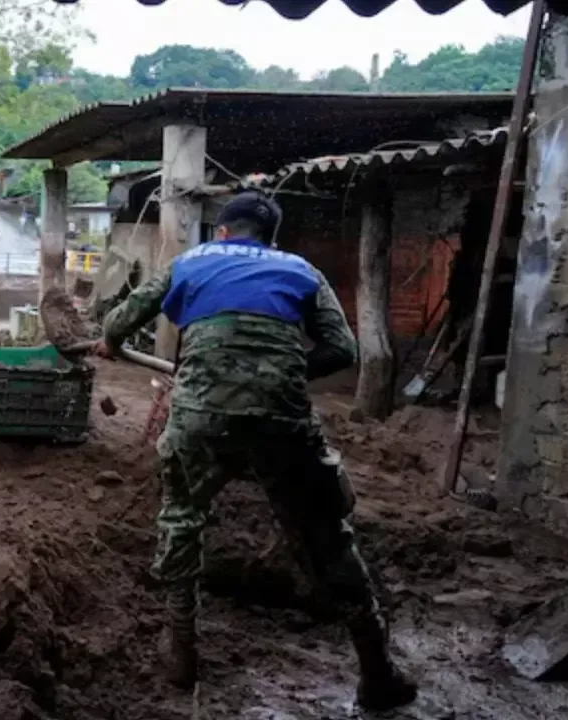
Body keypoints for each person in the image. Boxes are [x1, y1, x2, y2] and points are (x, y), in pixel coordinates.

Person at [95, 191, 417, 711]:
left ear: (222, 231)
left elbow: (116, 324)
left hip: (202, 414)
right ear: (271, 239)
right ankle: (377, 668)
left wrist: (110, 342)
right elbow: (343, 349)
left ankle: (180, 651)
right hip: (282, 418)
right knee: (328, 534)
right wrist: (286, 373)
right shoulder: (301, 270)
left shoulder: (191, 261)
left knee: (183, 517)